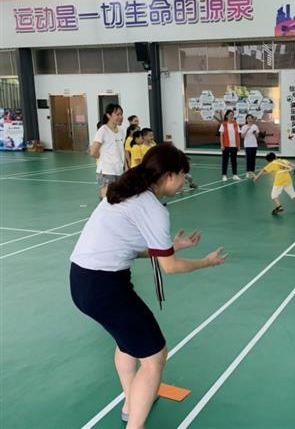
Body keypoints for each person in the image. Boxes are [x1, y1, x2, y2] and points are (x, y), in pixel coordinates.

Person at [70, 143, 227, 428]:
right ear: (169, 176)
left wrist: (166, 247)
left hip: (81, 280)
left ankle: (133, 402)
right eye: (183, 175)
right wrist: (206, 261)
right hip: (106, 287)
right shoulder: (152, 207)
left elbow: (125, 245)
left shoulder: (125, 191)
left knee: (127, 343)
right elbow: (170, 267)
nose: (183, 181)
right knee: (155, 356)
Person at [90, 104, 125, 199]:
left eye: (121, 114)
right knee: (106, 201)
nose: (120, 117)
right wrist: (105, 159)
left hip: (119, 170)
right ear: (109, 115)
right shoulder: (103, 131)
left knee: (117, 199)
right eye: (117, 114)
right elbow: (93, 152)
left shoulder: (121, 131)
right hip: (106, 170)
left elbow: (121, 150)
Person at [219, 109, 241, 182]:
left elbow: (238, 135)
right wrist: (222, 145)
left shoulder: (236, 124)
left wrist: (238, 145)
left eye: (232, 115)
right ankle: (224, 175)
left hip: (234, 146)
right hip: (226, 146)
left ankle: (235, 175)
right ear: (227, 116)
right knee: (225, 161)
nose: (231, 116)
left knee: (234, 161)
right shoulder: (223, 124)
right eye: (230, 115)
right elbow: (221, 135)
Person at [241, 114, 260, 179]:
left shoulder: (255, 126)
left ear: (252, 119)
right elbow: (242, 136)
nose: (249, 119)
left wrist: (255, 133)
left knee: (253, 159)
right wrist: (246, 130)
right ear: (246, 119)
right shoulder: (244, 127)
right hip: (247, 145)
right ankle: (247, 172)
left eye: (250, 118)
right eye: (248, 118)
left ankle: (252, 171)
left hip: (254, 145)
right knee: (248, 159)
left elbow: (257, 136)